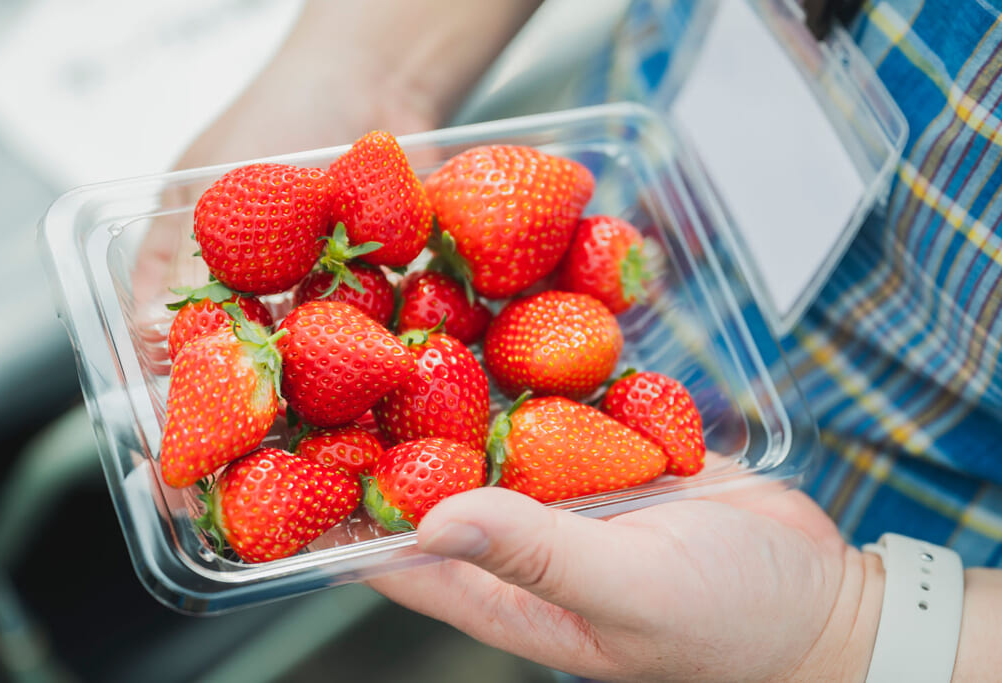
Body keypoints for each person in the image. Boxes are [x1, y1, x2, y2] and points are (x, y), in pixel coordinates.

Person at [140, 0, 1002, 679]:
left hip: (895, 555)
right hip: (631, 245)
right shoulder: (484, 285)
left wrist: (846, 631)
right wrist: (364, 69)